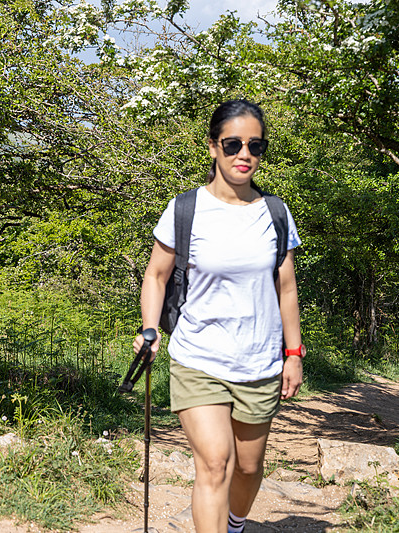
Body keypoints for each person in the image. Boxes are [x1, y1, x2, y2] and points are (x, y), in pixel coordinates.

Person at [133, 99, 305, 533]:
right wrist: (150, 329)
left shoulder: (275, 213)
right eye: (233, 144)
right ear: (213, 146)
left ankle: (235, 523)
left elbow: (286, 288)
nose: (244, 154)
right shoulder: (185, 209)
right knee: (215, 463)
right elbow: (156, 275)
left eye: (255, 146)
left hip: (259, 362)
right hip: (198, 357)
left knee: (247, 468)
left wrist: (294, 353)